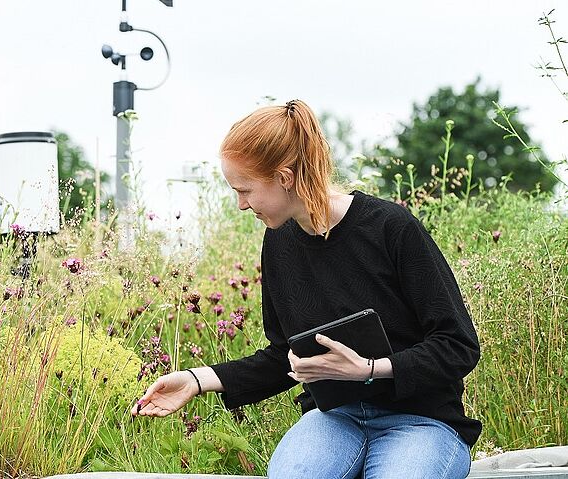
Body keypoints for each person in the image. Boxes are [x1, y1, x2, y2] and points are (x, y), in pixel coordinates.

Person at [129, 99, 481, 479]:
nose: (240, 205)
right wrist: (197, 381)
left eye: (245, 190)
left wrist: (368, 370)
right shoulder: (279, 242)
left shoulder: (391, 228)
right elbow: (286, 356)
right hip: (334, 420)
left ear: (284, 177)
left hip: (422, 421)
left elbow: (457, 345)